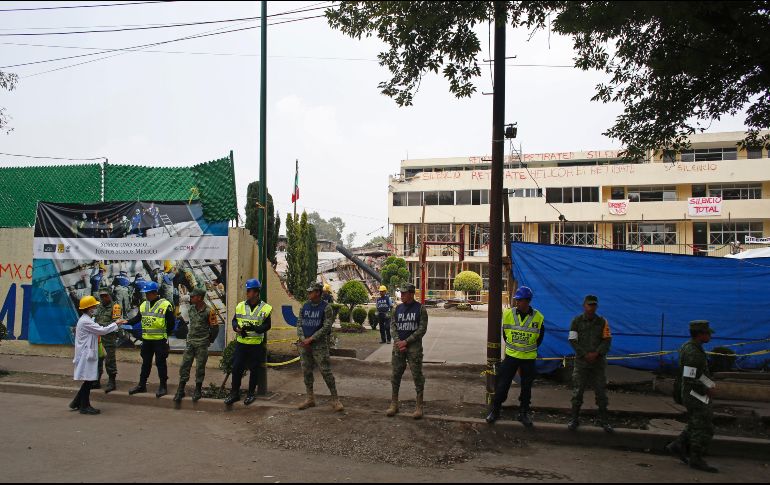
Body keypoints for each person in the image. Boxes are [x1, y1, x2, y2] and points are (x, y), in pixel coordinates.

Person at [486, 286, 545, 427]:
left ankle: (523, 413)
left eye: (520, 300)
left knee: (526, 387)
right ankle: (495, 410)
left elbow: (539, 338)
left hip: (529, 358)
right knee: (502, 385)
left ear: (528, 301)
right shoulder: (508, 314)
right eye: (517, 300)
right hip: (511, 356)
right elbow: (505, 335)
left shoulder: (538, 317)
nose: (517, 303)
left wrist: (526, 349)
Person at [665, 320, 719, 473]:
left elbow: (698, 374)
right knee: (704, 424)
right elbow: (690, 377)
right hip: (694, 393)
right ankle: (696, 458)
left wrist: (709, 384)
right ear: (700, 334)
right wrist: (706, 387)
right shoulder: (693, 352)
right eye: (708, 333)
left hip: (694, 391)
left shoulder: (692, 347)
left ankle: (678, 445)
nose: (710, 336)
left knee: (698, 421)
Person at [567, 295, 613, 433]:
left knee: (601, 392)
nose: (591, 307)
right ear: (584, 306)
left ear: (597, 307)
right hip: (581, 363)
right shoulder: (576, 321)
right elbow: (572, 340)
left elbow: (607, 340)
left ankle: (604, 420)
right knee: (577, 392)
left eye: (594, 305)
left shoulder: (602, 322)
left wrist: (597, 353)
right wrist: (584, 354)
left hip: (598, 363)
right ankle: (574, 419)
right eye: (589, 305)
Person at [296, 282, 344, 413]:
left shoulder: (326, 307)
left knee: (326, 371)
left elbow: (326, 326)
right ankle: (310, 398)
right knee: (306, 371)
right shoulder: (304, 306)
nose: (308, 293)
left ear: (318, 292)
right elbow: (299, 323)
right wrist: (302, 338)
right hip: (304, 344)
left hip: (319, 345)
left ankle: (335, 399)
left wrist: (312, 338)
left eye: (311, 291)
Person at [224, 279, 272, 406]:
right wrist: (236, 328)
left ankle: (251, 394)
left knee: (254, 370)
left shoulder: (265, 308)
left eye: (249, 290)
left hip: (256, 344)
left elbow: (267, 325)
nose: (247, 293)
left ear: (256, 293)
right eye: (247, 290)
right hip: (241, 343)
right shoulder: (240, 305)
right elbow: (234, 320)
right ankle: (234, 393)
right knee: (236, 368)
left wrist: (256, 328)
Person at [70, 296, 119, 415]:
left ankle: (76, 402)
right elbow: (102, 330)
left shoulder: (87, 319)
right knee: (89, 380)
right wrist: (116, 323)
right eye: (94, 306)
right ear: (89, 308)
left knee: (89, 379)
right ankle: (84, 406)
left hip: (88, 353)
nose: (96, 307)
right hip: (86, 354)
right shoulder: (85, 321)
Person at [386, 283, 428, 419]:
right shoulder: (397, 308)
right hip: (398, 346)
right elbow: (392, 326)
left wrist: (407, 341)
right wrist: (398, 341)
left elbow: (422, 329)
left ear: (411, 293)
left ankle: (419, 406)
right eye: (401, 293)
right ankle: (394, 403)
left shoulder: (420, 309)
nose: (402, 295)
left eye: (404, 293)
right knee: (395, 375)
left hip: (413, 347)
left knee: (417, 375)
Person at [126, 282, 175, 398]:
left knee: (160, 364)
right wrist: (126, 322)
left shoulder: (165, 305)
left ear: (154, 293)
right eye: (145, 293)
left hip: (160, 341)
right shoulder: (144, 305)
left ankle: (163, 386)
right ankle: (142, 385)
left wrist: (165, 335)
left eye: (148, 293)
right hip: (147, 341)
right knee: (146, 363)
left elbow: (171, 323)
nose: (146, 296)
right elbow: (138, 318)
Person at [174, 289, 219, 403]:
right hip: (190, 342)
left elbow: (215, 328)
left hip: (202, 343)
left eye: (193, 296)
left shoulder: (209, 311)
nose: (191, 298)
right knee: (185, 365)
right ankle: (181, 389)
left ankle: (198, 389)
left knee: (200, 367)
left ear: (199, 298)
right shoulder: (191, 309)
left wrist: (210, 340)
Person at [94, 289, 122, 393]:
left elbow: (116, 322)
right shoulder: (99, 307)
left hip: (109, 338)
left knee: (110, 360)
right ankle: (96, 380)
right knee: (97, 360)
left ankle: (112, 381)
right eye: (102, 296)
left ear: (110, 295)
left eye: (105, 296)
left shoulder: (115, 307)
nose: (103, 298)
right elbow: (94, 318)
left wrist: (101, 327)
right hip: (98, 338)